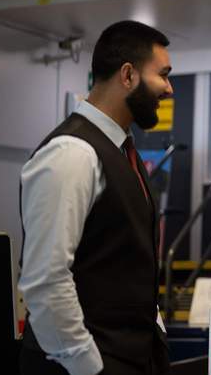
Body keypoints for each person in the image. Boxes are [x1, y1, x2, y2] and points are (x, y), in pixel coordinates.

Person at [19, 21, 174, 375]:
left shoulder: (123, 152)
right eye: (163, 75)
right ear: (128, 75)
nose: (168, 88)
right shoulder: (70, 152)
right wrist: (88, 367)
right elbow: (46, 279)